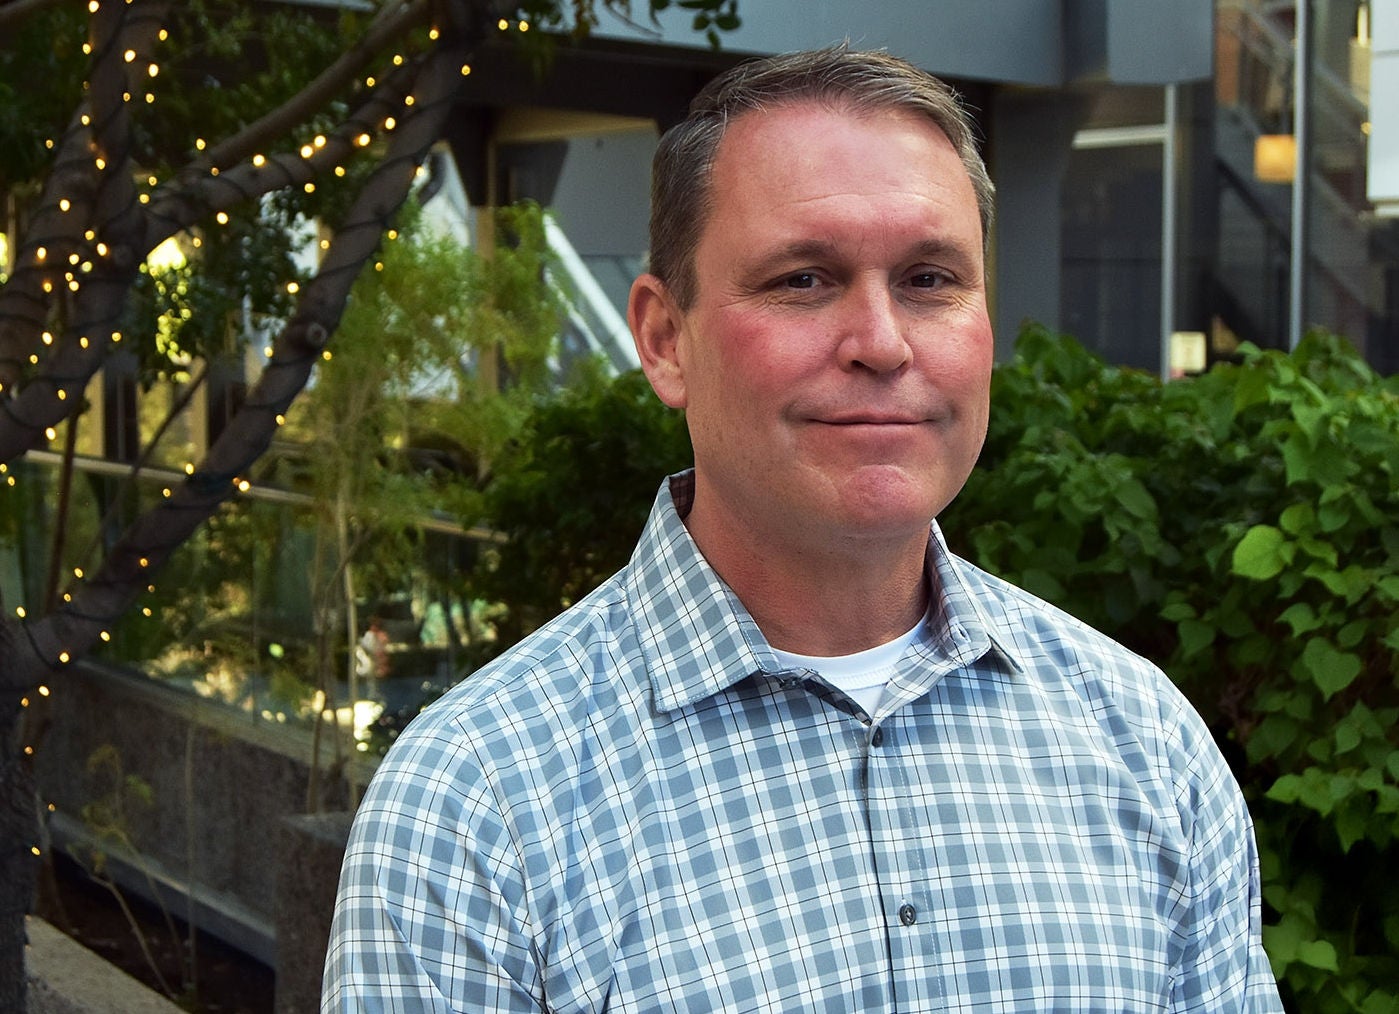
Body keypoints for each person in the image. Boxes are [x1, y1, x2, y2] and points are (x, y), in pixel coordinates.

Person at [322, 47, 1283, 1012]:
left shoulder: (1142, 739)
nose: (881, 343)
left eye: (929, 279)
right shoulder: (477, 806)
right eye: (802, 280)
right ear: (664, 339)